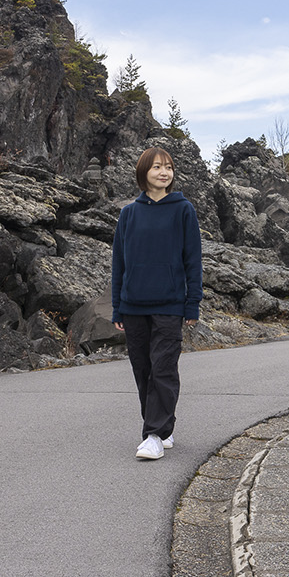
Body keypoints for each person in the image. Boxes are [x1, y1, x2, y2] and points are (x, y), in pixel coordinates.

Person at [111, 146, 203, 461]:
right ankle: (163, 427)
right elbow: (119, 264)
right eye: (156, 168)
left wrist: (192, 304)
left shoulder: (183, 210)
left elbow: (193, 261)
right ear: (143, 173)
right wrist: (117, 307)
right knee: (143, 371)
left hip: (170, 304)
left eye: (168, 167)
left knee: (163, 369)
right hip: (133, 305)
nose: (163, 172)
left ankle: (152, 434)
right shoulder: (129, 213)